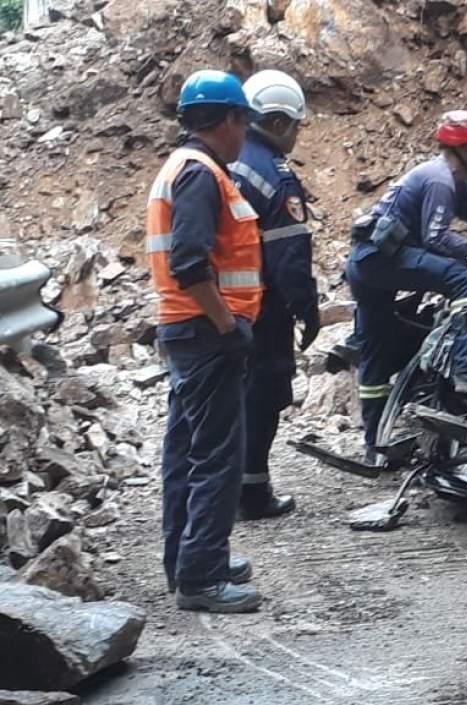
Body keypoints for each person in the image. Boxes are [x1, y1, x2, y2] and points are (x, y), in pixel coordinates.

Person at [345, 110, 467, 461]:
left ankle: (375, 447)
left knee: (376, 351)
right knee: (465, 280)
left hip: (366, 264)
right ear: (466, 149)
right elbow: (436, 238)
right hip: (381, 261)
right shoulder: (440, 181)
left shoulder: (452, 182)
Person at [146, 70, 263, 613]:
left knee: (185, 452)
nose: (246, 136)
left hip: (185, 330)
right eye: (244, 123)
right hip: (205, 332)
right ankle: (202, 577)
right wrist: (227, 325)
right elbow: (190, 263)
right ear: (231, 120)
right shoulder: (201, 175)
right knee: (218, 457)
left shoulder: (180, 167)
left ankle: (188, 560)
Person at [229, 70, 318, 520]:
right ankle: (252, 491)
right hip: (262, 305)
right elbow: (289, 255)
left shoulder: (225, 160)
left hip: (220, 302)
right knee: (264, 393)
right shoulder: (274, 175)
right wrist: (307, 307)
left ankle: (222, 488)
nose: (297, 134)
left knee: (230, 396)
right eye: (296, 125)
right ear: (279, 122)